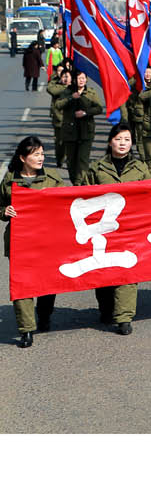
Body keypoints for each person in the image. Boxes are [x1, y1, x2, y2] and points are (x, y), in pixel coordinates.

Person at [83, 123, 151, 334]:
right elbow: (83, 196)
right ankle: (106, 308)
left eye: (127, 140)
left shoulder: (141, 169)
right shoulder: (96, 168)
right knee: (103, 271)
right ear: (110, 141)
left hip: (130, 229)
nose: (123, 144)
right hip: (103, 229)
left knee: (127, 271)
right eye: (119, 139)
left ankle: (124, 317)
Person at [4, 136, 63, 348]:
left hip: (47, 239)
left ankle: (45, 314)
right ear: (23, 157)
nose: (41, 158)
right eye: (35, 154)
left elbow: (65, 203)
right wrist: (5, 211)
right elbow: (0, 205)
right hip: (20, 241)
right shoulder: (10, 180)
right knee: (23, 285)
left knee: (47, 282)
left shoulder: (52, 178)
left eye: (42, 154)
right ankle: (26, 329)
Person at [54, 70, 104, 185]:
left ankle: (79, 184)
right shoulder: (67, 91)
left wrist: (86, 112)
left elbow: (99, 108)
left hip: (86, 132)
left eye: (83, 78)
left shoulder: (90, 93)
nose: (81, 81)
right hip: (70, 132)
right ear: (75, 80)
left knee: (83, 160)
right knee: (71, 161)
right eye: (79, 78)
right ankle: (75, 181)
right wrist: (71, 98)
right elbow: (58, 105)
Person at [45, 67, 72, 168]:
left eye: (68, 76)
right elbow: (51, 89)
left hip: (72, 121)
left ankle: (70, 161)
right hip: (59, 119)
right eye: (64, 76)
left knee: (70, 142)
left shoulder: (75, 88)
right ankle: (60, 159)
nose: (66, 78)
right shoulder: (57, 86)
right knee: (60, 143)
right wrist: (65, 85)